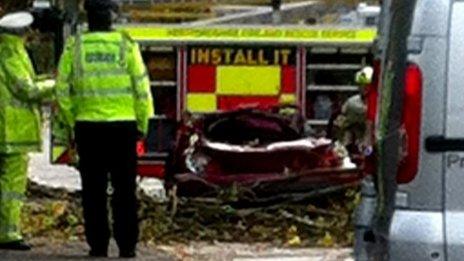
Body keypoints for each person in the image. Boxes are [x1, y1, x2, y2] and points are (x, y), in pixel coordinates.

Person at [55, 0, 153, 258]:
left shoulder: (75, 48)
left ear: (89, 17)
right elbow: (142, 91)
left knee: (93, 190)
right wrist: (142, 126)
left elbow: (62, 90)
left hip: (88, 128)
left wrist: (71, 122)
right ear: (111, 17)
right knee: (124, 190)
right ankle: (127, 247)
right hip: (123, 127)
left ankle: (98, 246)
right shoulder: (126, 45)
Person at [0, 11, 53, 250]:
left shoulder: (10, 50)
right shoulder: (11, 52)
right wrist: (56, 84)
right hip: (12, 130)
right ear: (23, 33)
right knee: (12, 186)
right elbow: (27, 90)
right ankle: (8, 233)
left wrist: (46, 78)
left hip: (8, 128)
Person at [332, 66, 373, 154]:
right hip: (359, 148)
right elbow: (340, 126)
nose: (363, 87)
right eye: (361, 84)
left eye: (367, 84)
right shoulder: (352, 104)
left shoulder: (383, 103)